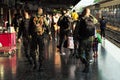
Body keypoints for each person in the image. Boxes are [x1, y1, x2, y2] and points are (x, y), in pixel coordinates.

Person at [74, 8, 97, 73]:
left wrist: (75, 39)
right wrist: (90, 15)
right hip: (90, 39)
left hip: (83, 39)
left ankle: (86, 64)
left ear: (83, 12)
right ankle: (87, 67)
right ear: (89, 13)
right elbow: (96, 21)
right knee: (88, 53)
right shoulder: (92, 19)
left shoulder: (80, 20)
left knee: (80, 54)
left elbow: (76, 30)